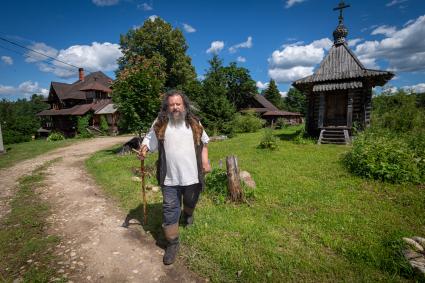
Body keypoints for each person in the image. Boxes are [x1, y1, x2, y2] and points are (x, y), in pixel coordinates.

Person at [137, 89, 211, 265]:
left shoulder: (194, 122)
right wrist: (145, 149)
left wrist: (205, 161)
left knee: (191, 201)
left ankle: (188, 214)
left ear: (184, 105)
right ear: (166, 107)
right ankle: (172, 243)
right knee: (170, 209)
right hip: (169, 177)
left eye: (178, 104)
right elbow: (149, 140)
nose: (175, 107)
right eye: (171, 105)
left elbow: (205, 142)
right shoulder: (160, 123)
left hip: (193, 176)